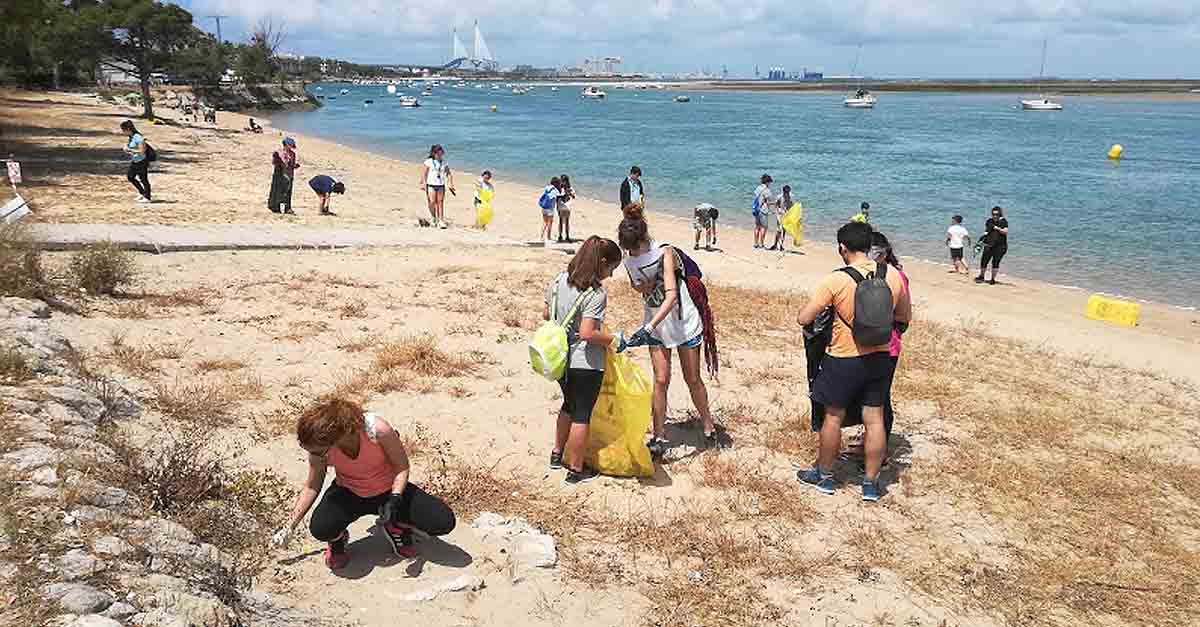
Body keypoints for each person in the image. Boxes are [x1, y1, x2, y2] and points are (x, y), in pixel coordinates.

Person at [795, 221, 912, 502]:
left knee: (833, 417)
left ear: (842, 248)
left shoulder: (836, 279)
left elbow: (804, 318)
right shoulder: (893, 275)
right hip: (881, 356)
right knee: (874, 420)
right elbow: (904, 319)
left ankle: (824, 476)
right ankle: (870, 484)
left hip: (843, 358)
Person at [270, 398, 457, 570]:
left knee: (443, 521)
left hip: (389, 491)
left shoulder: (377, 430)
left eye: (318, 450)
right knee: (321, 528)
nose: (315, 454)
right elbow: (312, 486)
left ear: (337, 437)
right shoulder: (319, 449)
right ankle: (338, 540)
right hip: (350, 492)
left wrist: (395, 498)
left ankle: (396, 526)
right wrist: (290, 525)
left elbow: (401, 467)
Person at [618, 206, 722, 455]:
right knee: (661, 380)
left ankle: (708, 427)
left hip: (682, 322)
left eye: (634, 248)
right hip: (656, 326)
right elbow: (637, 286)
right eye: (628, 250)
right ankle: (659, 436)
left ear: (643, 239)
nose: (631, 253)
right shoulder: (628, 258)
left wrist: (648, 327)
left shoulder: (665, 253)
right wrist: (643, 287)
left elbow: (672, 296)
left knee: (692, 378)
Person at [543, 236, 627, 484]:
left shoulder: (558, 281)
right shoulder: (596, 293)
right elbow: (589, 333)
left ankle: (557, 455)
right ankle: (576, 470)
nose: (610, 275)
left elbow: (547, 314)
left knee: (567, 405)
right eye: (611, 269)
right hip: (585, 362)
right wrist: (614, 339)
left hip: (559, 358)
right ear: (601, 263)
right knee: (582, 414)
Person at [419, 144, 455, 229]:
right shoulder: (428, 162)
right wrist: (423, 183)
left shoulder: (444, 162)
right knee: (432, 201)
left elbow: (449, 174)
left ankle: (441, 220)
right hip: (430, 184)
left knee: (440, 202)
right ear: (434, 153)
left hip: (441, 185)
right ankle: (433, 217)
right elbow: (424, 174)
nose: (440, 155)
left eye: (441, 153)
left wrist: (450, 184)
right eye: (438, 153)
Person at [120, 120, 151, 204]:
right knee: (130, 177)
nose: (123, 132)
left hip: (142, 161)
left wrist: (130, 150)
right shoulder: (131, 137)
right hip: (135, 161)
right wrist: (127, 149)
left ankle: (147, 197)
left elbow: (142, 151)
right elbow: (133, 148)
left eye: (123, 130)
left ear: (128, 129)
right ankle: (142, 192)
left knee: (144, 179)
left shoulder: (138, 137)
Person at [976, 206, 1009, 285]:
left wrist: (996, 228)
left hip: (1001, 246)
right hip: (989, 244)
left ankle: (992, 279)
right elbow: (986, 232)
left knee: (995, 262)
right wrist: (981, 241)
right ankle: (981, 276)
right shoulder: (989, 221)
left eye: (997, 214)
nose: (995, 216)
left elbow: (1005, 232)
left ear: (1000, 214)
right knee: (984, 261)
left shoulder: (1003, 221)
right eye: (993, 214)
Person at [268, 137, 299, 214]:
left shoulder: (292, 154)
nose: (291, 147)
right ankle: (276, 207)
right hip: (281, 175)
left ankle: (287, 208)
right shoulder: (279, 152)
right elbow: (275, 163)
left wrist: (294, 166)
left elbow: (291, 165)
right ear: (286, 145)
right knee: (279, 191)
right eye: (290, 145)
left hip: (290, 175)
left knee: (288, 192)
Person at [770, 185, 796, 251]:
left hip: (787, 215)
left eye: (788, 193)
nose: (787, 194)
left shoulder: (792, 197)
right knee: (779, 230)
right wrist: (777, 212)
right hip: (780, 214)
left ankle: (781, 245)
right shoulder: (779, 196)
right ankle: (775, 245)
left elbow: (792, 206)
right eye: (785, 193)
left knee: (784, 230)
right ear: (783, 192)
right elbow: (776, 205)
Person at [752, 175, 774, 249]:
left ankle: (755, 243)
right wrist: (775, 203)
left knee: (757, 227)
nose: (770, 184)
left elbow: (756, 197)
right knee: (764, 227)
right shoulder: (767, 190)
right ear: (767, 182)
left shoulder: (758, 188)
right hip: (763, 211)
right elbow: (769, 202)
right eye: (770, 182)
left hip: (756, 210)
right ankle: (761, 244)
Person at [540, 176, 562, 244]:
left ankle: (541, 236)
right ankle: (548, 237)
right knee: (550, 223)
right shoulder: (555, 190)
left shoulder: (547, 187)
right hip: (550, 209)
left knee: (544, 222)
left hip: (544, 207)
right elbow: (557, 198)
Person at [556, 174, 576, 243]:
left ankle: (567, 236)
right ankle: (560, 236)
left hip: (567, 206)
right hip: (560, 206)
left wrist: (569, 193)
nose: (562, 182)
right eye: (562, 181)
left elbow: (573, 197)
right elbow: (556, 197)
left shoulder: (570, 188)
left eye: (564, 181)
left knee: (567, 222)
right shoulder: (558, 188)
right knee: (561, 221)